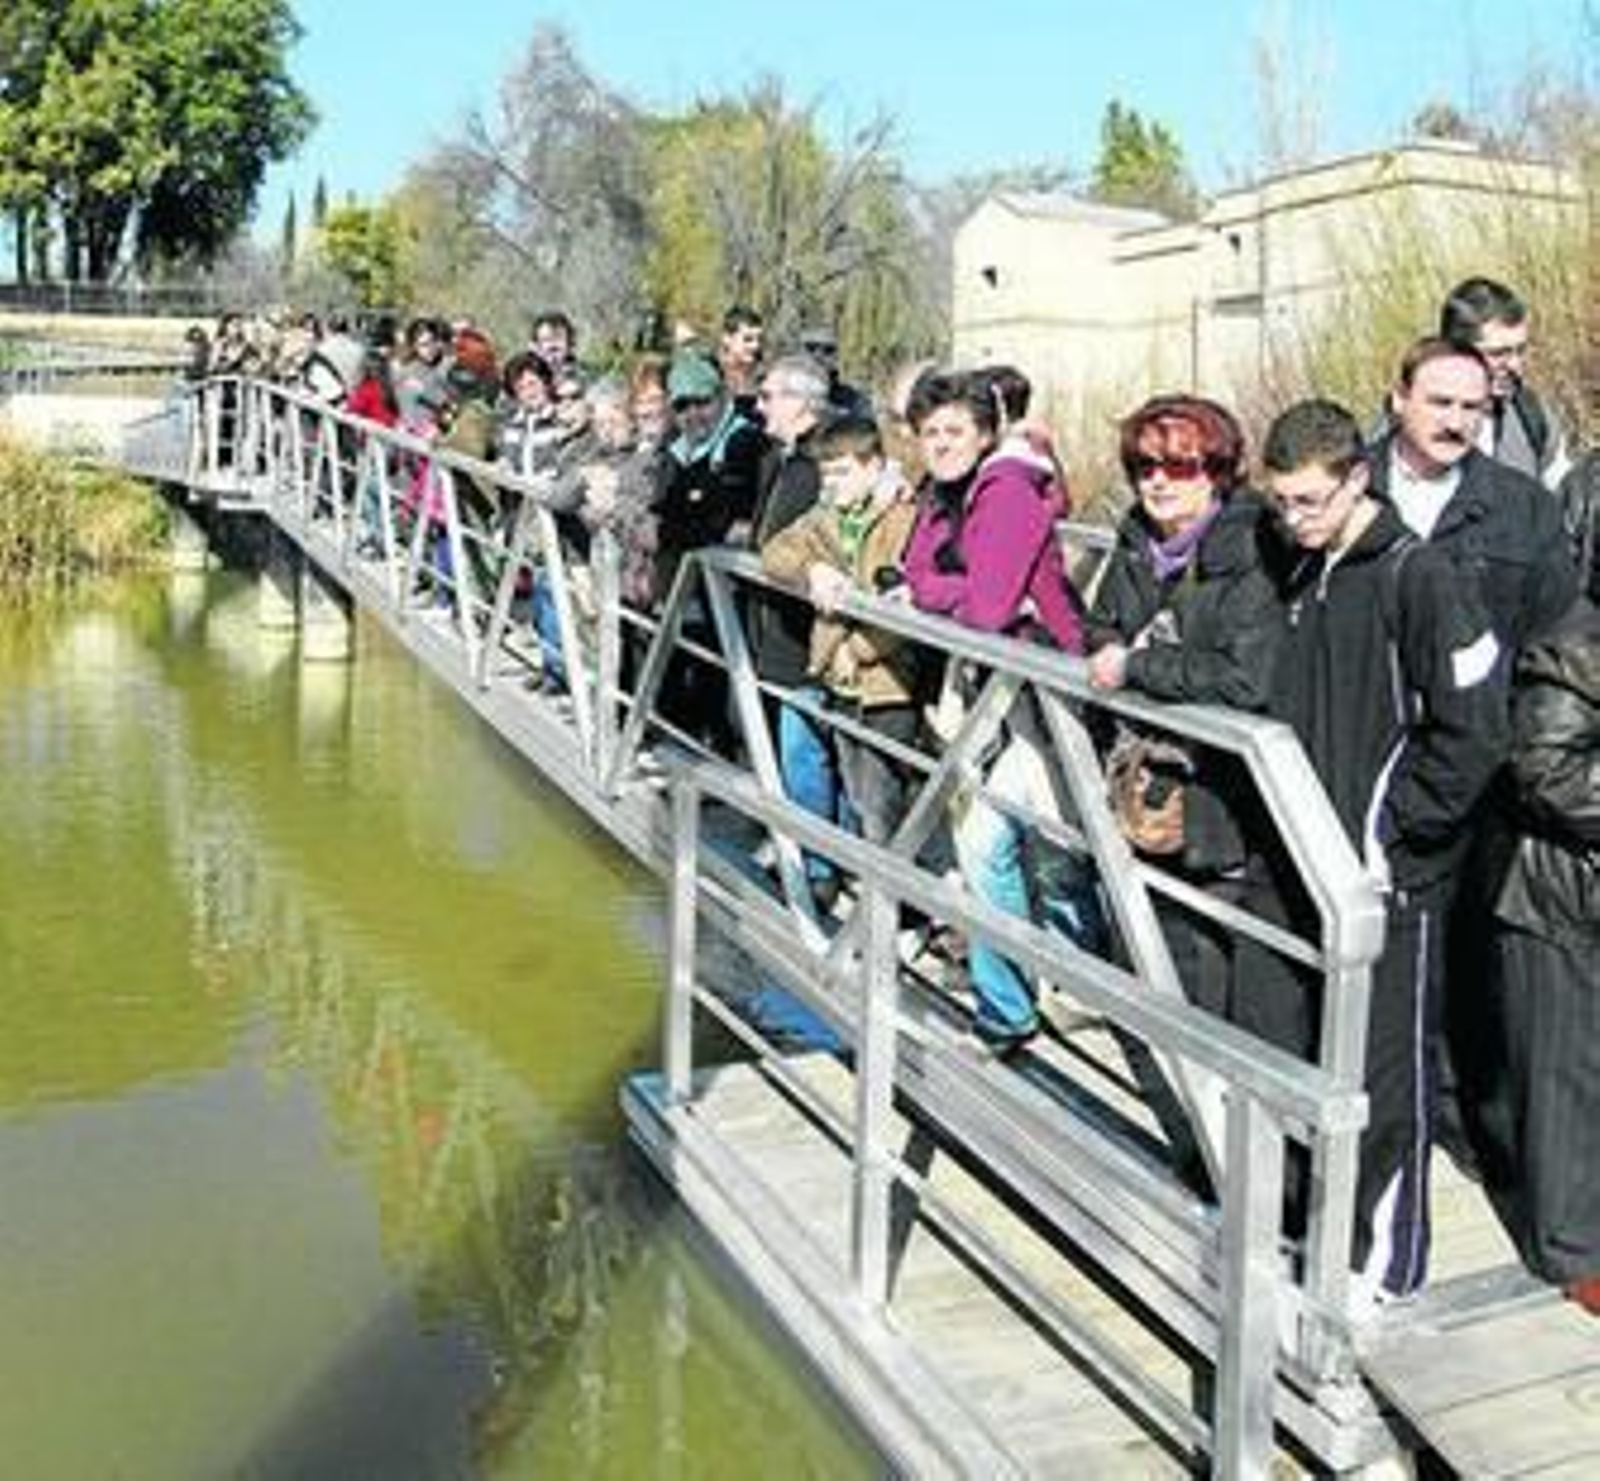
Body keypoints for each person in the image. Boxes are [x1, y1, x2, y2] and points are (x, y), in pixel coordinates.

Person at [1257, 398, 1507, 1304]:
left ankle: (1388, 1267)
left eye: (1310, 501)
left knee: (1387, 1072)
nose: (1294, 520)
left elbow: (1475, 728)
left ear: (1357, 477)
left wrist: (1395, 832)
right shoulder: (1309, 569)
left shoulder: (1419, 575)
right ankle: (1325, 1237)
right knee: (1324, 1058)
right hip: (1312, 867)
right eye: (1282, 503)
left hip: (1389, 875)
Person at [902, 369, 1088, 1052]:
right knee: (989, 842)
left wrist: (939, 593)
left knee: (1062, 845)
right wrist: (944, 589)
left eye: (955, 431)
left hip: (1049, 691)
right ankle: (1011, 1005)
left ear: (985, 433)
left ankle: (1080, 982)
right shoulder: (946, 493)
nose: (941, 444)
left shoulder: (1005, 490)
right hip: (1003, 689)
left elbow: (984, 610)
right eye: (929, 433)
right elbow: (913, 569)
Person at [1087, 394, 1283, 1011]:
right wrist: (1114, 648)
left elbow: (1247, 678)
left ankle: (1210, 1099)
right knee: (1149, 950)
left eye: (1182, 467)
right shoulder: (1134, 540)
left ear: (1219, 472)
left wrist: (1137, 665)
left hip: (1219, 798)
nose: (1159, 482)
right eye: (1146, 468)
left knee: (1209, 963)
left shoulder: (1254, 549)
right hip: (1142, 779)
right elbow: (1100, 626)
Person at [1476, 591, 1600, 1314]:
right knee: (1564, 1078)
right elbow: (1543, 768)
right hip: (1560, 898)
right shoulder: (1572, 643)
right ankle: (1575, 1251)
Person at [761, 415, 920, 846]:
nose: (832, 483)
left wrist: (857, 650)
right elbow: (774, 551)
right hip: (840, 677)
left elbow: (910, 603)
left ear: (874, 466)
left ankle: (897, 908)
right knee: (856, 791)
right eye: (826, 473)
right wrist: (811, 569)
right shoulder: (825, 515)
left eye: (842, 472)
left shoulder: (903, 516)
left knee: (880, 800)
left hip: (888, 681)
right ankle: (862, 888)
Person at [1438, 275, 1572, 489]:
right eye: (1498, 354)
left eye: (1520, 351)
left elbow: (1565, 503)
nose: (1515, 366)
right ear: (1454, 351)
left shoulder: (1532, 417)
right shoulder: (1410, 425)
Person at [717, 304, 765, 422]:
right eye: (747, 339)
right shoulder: (713, 378)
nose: (755, 346)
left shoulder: (764, 378)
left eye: (759, 339)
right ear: (727, 338)